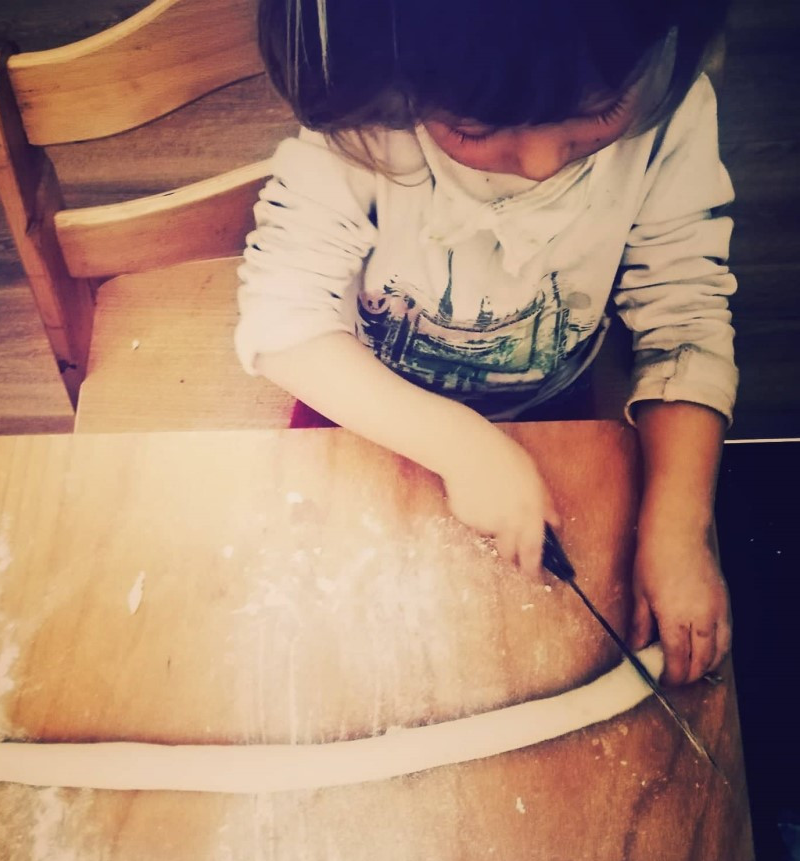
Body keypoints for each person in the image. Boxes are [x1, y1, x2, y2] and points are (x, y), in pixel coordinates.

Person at [235, 0, 736, 686]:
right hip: (364, 408)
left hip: (553, 406)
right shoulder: (371, 117)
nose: (540, 164)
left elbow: (684, 316)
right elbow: (281, 324)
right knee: (322, 629)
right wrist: (462, 447)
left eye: (601, 112)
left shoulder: (671, 113)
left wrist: (678, 527)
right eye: (473, 130)